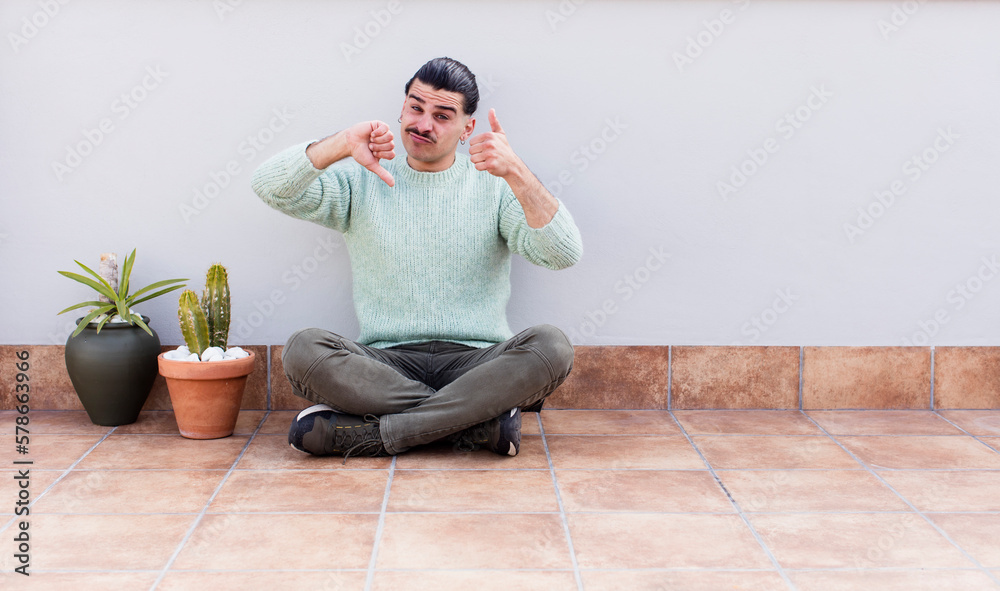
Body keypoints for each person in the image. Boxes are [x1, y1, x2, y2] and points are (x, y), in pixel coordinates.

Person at [251, 57, 582, 460]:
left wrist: (518, 173)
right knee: (304, 350)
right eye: (416, 107)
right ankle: (475, 422)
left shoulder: (495, 187)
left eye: (442, 116)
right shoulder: (362, 179)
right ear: (403, 108)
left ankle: (380, 435)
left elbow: (563, 253)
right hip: (385, 365)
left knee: (552, 347)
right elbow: (268, 186)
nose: (423, 124)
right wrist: (340, 144)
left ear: (467, 129)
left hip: (477, 365)